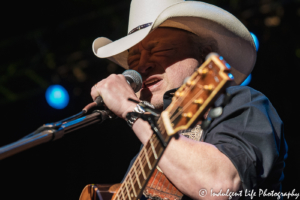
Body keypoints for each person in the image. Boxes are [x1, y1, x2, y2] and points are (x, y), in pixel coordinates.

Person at [90, 0, 287, 199]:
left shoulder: (242, 102)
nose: (141, 67)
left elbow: (219, 186)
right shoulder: (143, 155)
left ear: (205, 55)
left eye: (159, 49)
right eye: (133, 59)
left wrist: (129, 108)